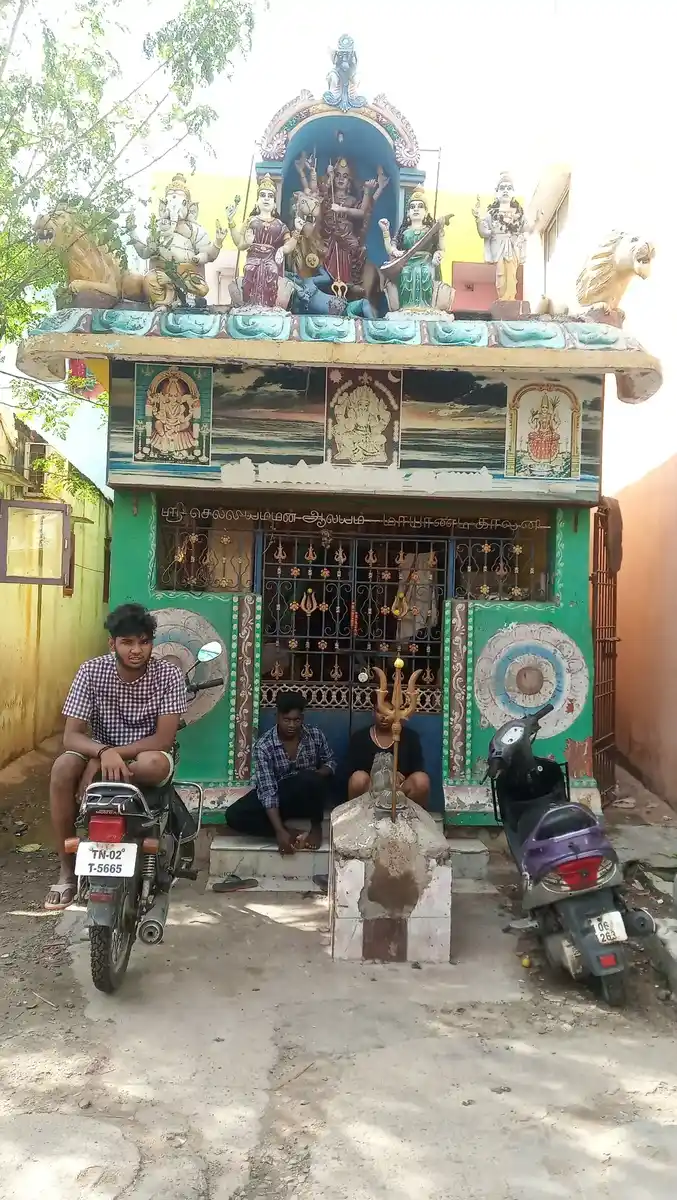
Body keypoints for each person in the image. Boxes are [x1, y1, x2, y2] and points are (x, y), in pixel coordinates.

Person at [45, 603, 188, 911]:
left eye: (144, 641)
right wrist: (100, 752)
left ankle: (105, 779)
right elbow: (71, 736)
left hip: (143, 757)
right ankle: (67, 872)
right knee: (62, 767)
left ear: (152, 642)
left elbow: (164, 739)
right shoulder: (91, 670)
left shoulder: (169, 675)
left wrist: (107, 757)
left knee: (155, 763)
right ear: (113, 644)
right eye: (127, 642)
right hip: (98, 751)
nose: (136, 650)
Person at [226, 693, 335, 855]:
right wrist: (278, 830)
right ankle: (287, 832)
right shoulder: (265, 745)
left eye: (296, 720)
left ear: (302, 718)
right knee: (233, 815)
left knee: (310, 778)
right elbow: (268, 790)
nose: (292, 725)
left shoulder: (315, 736)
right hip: (280, 798)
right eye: (286, 720)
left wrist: (317, 775)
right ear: (277, 717)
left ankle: (316, 828)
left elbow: (330, 762)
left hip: (309, 800)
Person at [346, 698, 430, 807]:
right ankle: (357, 819)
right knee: (358, 778)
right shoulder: (360, 737)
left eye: (388, 711)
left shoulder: (410, 737)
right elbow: (352, 771)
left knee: (421, 780)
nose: (383, 716)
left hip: (400, 789)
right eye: (379, 711)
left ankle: (413, 819)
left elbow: (418, 769)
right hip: (371, 789)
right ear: (373, 712)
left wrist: (399, 778)